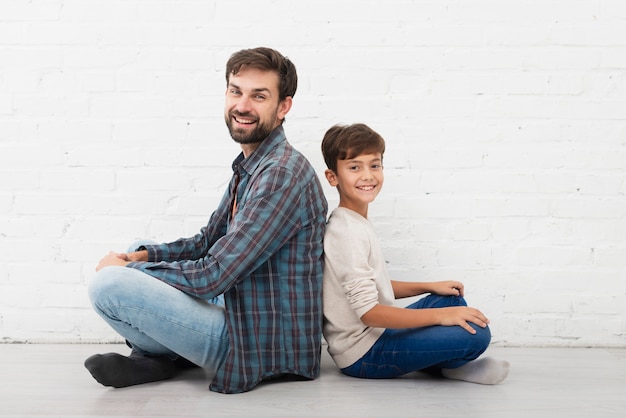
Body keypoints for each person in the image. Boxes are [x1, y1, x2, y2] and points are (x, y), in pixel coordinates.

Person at [85, 47, 328, 394]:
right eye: (235, 91)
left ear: (283, 106)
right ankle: (159, 358)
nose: (242, 106)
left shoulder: (281, 174)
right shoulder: (254, 165)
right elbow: (205, 243)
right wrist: (138, 258)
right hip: (236, 308)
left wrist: (125, 272)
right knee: (134, 249)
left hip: (256, 341)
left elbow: (215, 274)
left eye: (259, 96)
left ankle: (158, 357)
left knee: (107, 285)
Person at [320, 123, 509, 384]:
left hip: (379, 335)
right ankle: (447, 368)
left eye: (374, 165)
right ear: (333, 177)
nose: (367, 175)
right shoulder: (346, 232)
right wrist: (442, 317)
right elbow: (369, 313)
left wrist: (427, 286)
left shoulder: (355, 220)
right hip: (364, 354)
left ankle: (441, 365)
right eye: (354, 167)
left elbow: (375, 286)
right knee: (476, 334)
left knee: (452, 301)